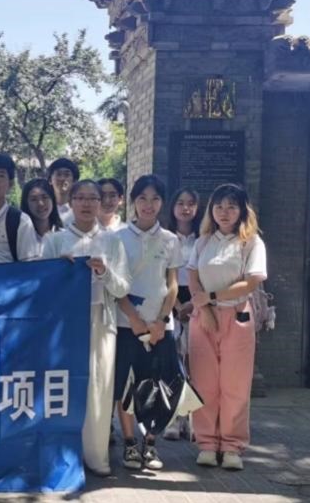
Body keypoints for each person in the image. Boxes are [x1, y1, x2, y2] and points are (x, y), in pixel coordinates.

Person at [41, 179, 130, 477]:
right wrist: (58, 270)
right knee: (64, 386)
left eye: (93, 198)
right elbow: (41, 285)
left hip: (100, 320)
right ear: (71, 202)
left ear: (101, 203)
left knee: (99, 387)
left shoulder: (112, 241)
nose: (87, 203)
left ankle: (96, 455)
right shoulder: (55, 240)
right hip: (65, 324)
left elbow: (122, 288)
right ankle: (63, 453)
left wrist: (104, 271)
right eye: (80, 197)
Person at [187, 183, 267, 471]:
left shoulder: (251, 242)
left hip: (237, 317)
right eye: (219, 206)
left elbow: (251, 282)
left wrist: (211, 297)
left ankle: (232, 445)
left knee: (235, 385)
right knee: (204, 382)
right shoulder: (203, 242)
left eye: (232, 206)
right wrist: (205, 308)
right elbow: (193, 277)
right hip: (203, 319)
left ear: (242, 210)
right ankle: (207, 443)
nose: (224, 212)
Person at [113, 174, 182, 472]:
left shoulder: (170, 240)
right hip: (126, 325)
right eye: (142, 198)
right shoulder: (117, 238)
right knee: (125, 386)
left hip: (160, 327)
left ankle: (150, 443)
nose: (148, 204)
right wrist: (134, 318)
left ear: (162, 203)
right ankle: (130, 443)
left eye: (154, 199)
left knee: (157, 384)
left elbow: (173, 284)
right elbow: (114, 285)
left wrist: (161, 321)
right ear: (133, 202)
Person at [162, 187, 201, 441]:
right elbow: (162, 275)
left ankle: (193, 419)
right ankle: (173, 418)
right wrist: (177, 307)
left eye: (191, 203)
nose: (185, 208)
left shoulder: (204, 239)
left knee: (195, 365)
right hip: (170, 303)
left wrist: (194, 305)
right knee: (172, 364)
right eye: (180, 203)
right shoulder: (165, 238)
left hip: (198, 303)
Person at [20, 178, 63, 249]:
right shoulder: (20, 237)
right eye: (34, 199)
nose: (40, 203)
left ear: (52, 200)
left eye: (45, 197)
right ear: (26, 204)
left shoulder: (65, 236)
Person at [48, 157, 79, 226]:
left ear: (74, 181)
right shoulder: (44, 209)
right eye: (58, 174)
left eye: (67, 175)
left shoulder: (80, 209)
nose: (62, 178)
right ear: (50, 180)